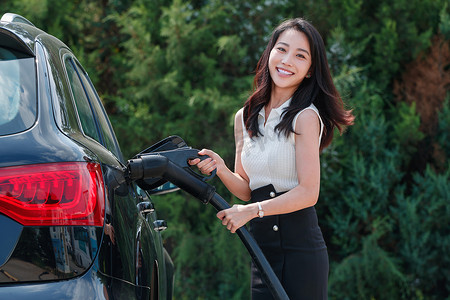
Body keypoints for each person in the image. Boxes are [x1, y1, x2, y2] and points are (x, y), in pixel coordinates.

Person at [190, 18, 354, 300]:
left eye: (300, 56)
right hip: (263, 248)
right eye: (282, 49)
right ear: (270, 53)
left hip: (301, 250)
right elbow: (246, 187)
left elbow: (308, 192)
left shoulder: (306, 117)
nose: (287, 60)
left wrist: (251, 211)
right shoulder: (244, 116)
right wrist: (220, 167)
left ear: (310, 70)